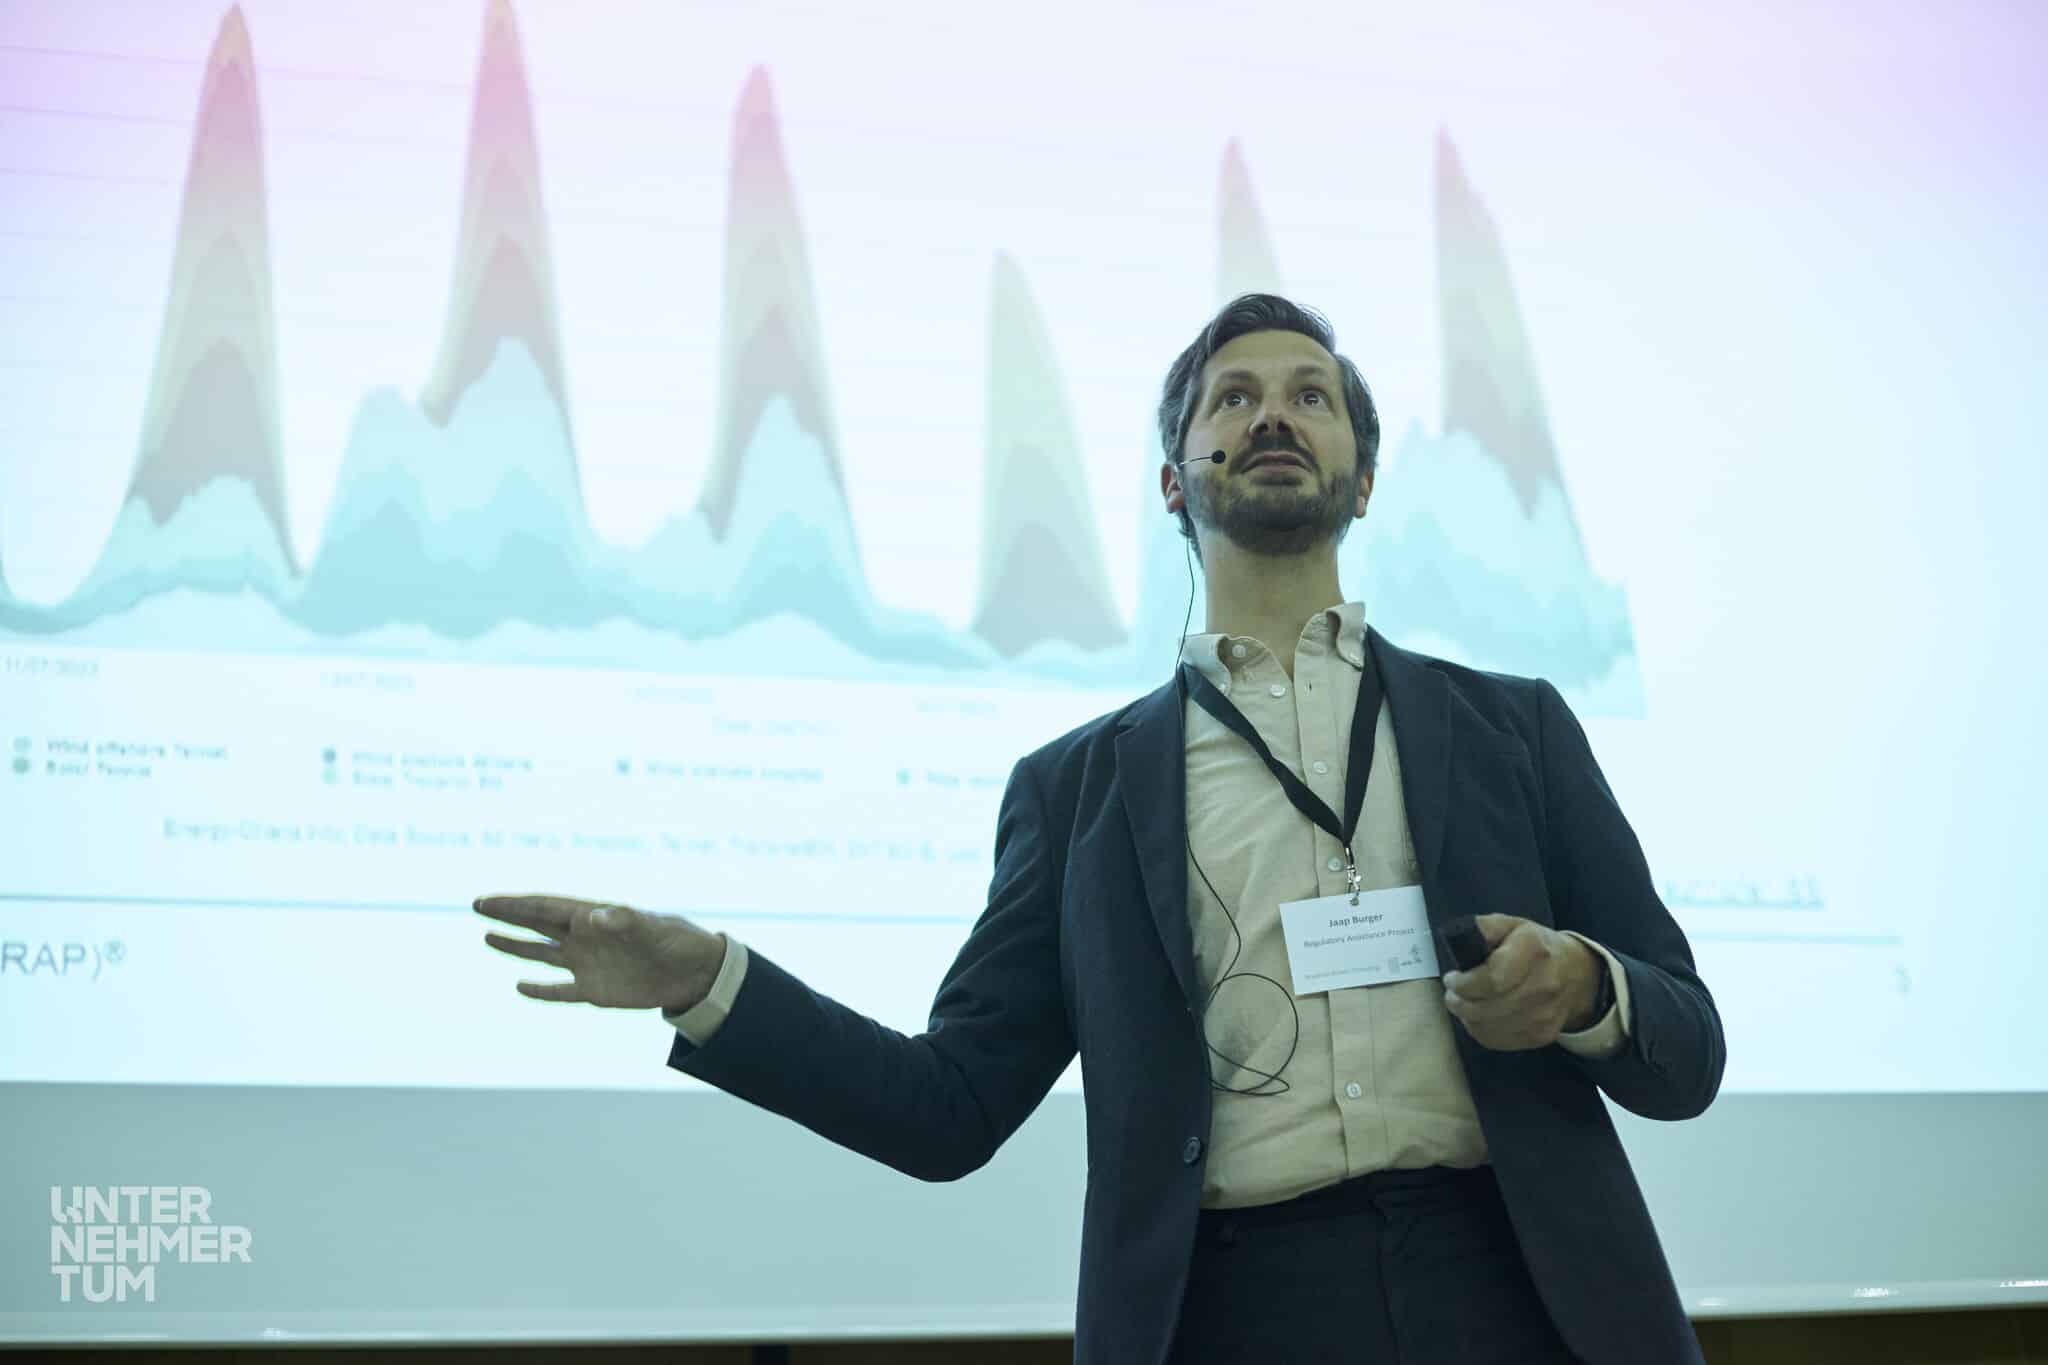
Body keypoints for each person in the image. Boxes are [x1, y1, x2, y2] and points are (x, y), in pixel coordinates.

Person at [476, 294, 1725, 1364]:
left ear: (1363, 474)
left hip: (1519, 1291)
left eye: (1310, 395)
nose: (1273, 415)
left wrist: (1584, 991)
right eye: (1230, 400)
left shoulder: (1512, 727)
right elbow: (944, 1107)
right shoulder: (1077, 790)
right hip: (1230, 1308)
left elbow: (1689, 1048)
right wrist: (705, 983)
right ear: (1175, 481)